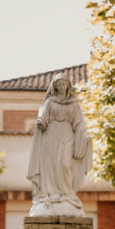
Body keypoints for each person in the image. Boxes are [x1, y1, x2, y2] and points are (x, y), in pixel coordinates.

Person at [27, 73, 93, 215]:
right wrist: (41, 121)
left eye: (64, 84)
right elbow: (42, 115)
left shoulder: (73, 104)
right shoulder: (50, 102)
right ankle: (50, 193)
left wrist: (85, 135)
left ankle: (66, 194)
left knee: (65, 165)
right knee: (50, 165)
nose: (62, 87)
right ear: (55, 86)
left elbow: (79, 123)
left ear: (68, 86)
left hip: (66, 135)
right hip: (50, 136)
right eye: (59, 84)